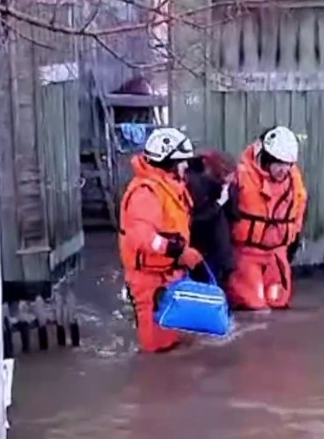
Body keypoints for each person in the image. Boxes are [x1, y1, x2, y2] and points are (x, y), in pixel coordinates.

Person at [118, 127, 206, 353]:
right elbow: (142, 237)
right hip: (149, 282)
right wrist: (177, 251)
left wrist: (186, 258)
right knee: (156, 348)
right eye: (181, 161)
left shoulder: (169, 188)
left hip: (170, 275)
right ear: (168, 162)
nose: (185, 166)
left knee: (173, 343)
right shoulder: (145, 193)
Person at [227, 126, 308, 311]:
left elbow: (299, 210)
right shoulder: (241, 176)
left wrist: (293, 241)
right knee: (253, 305)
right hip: (246, 253)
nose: (283, 169)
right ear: (266, 158)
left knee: (278, 302)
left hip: (276, 255)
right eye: (279, 163)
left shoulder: (294, 180)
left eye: (288, 164)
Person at [184, 150, 239, 287]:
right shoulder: (197, 185)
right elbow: (196, 219)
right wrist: (218, 204)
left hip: (218, 250)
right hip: (203, 248)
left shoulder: (224, 187)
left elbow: (233, 214)